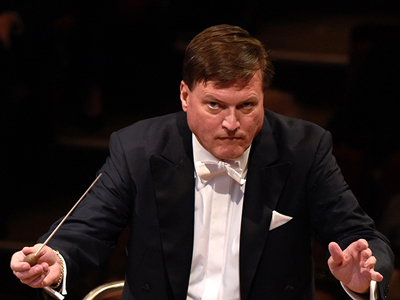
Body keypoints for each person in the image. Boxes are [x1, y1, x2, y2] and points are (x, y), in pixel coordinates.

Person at [10, 24, 394, 300]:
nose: (232, 124)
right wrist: (56, 259)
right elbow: (88, 226)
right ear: (184, 95)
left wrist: (362, 276)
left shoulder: (304, 149)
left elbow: (358, 235)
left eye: (247, 106)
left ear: (264, 97)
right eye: (215, 105)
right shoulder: (138, 148)